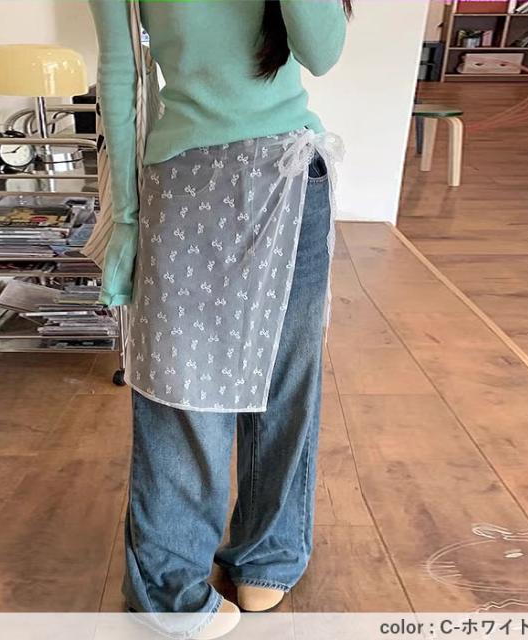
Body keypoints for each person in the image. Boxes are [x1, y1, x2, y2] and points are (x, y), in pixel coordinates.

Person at [88, 1, 349, 637]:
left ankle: (269, 552)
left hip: (292, 176)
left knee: (285, 389)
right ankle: (167, 588)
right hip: (186, 181)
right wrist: (126, 219)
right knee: (179, 394)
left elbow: (322, 52)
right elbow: (120, 71)